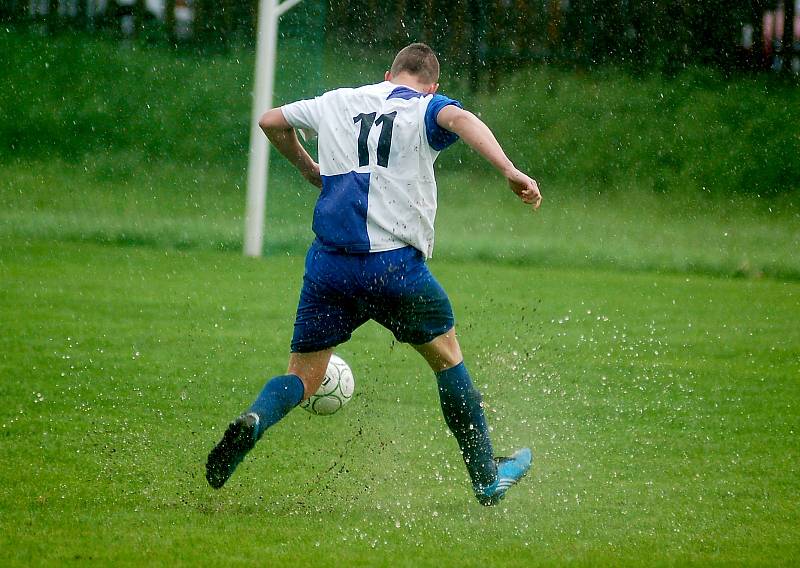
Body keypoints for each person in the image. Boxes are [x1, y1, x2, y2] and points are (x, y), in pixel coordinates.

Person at [206, 43, 542, 506]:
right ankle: (487, 476)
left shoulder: (338, 100)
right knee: (446, 356)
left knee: (302, 378)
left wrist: (311, 170)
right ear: (433, 85)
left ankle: (255, 420)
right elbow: (461, 121)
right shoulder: (426, 106)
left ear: (388, 74)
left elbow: (271, 121)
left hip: (329, 267)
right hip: (392, 268)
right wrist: (509, 170)